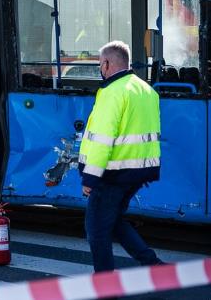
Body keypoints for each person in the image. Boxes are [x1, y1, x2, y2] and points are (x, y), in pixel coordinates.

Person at [79, 40, 163, 272]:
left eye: (99, 63)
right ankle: (152, 264)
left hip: (112, 174)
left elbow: (102, 139)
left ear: (106, 64)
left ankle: (106, 286)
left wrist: (90, 178)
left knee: (96, 230)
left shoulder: (112, 92)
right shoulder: (146, 90)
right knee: (113, 220)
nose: (100, 68)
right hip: (138, 172)